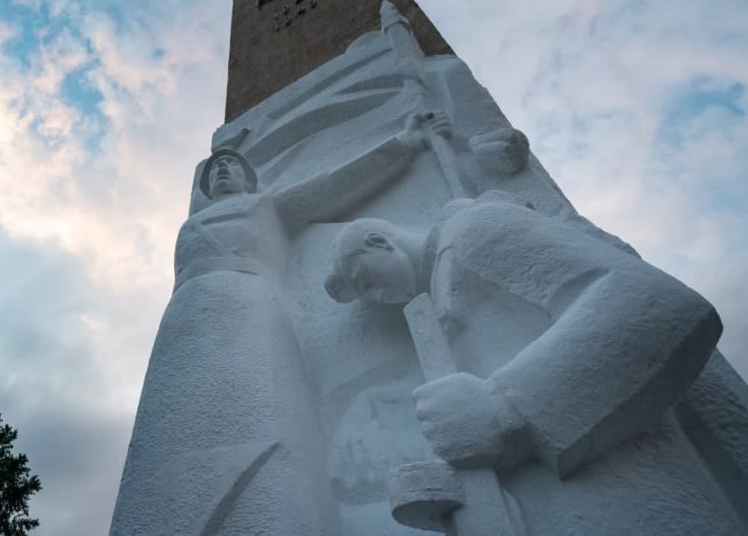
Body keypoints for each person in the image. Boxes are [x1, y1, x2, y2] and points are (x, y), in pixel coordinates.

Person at [110, 111, 449, 536]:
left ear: (250, 178)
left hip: (248, 306)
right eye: (214, 169)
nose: (222, 171)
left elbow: (332, 184)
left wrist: (403, 143)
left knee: (259, 421)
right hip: (184, 318)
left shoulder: (265, 205)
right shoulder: (190, 224)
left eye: (230, 164)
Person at [324, 193, 742, 534]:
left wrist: (504, 407)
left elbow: (651, 303)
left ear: (379, 241)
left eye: (367, 281)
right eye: (367, 296)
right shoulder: (440, 289)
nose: (378, 297)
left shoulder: (472, 230)